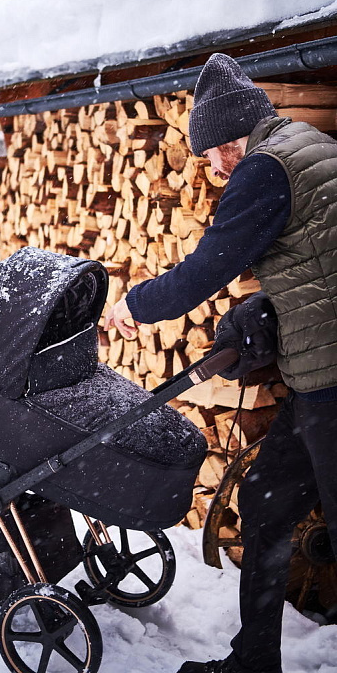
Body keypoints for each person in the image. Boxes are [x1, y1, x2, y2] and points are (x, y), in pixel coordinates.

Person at [104, 53, 337, 673]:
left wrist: (134, 305)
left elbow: (207, 268)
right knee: (264, 500)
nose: (210, 168)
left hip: (333, 381)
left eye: (210, 154)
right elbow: (320, 256)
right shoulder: (309, 145)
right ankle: (253, 661)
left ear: (233, 137)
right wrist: (265, 310)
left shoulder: (265, 170)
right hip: (317, 383)